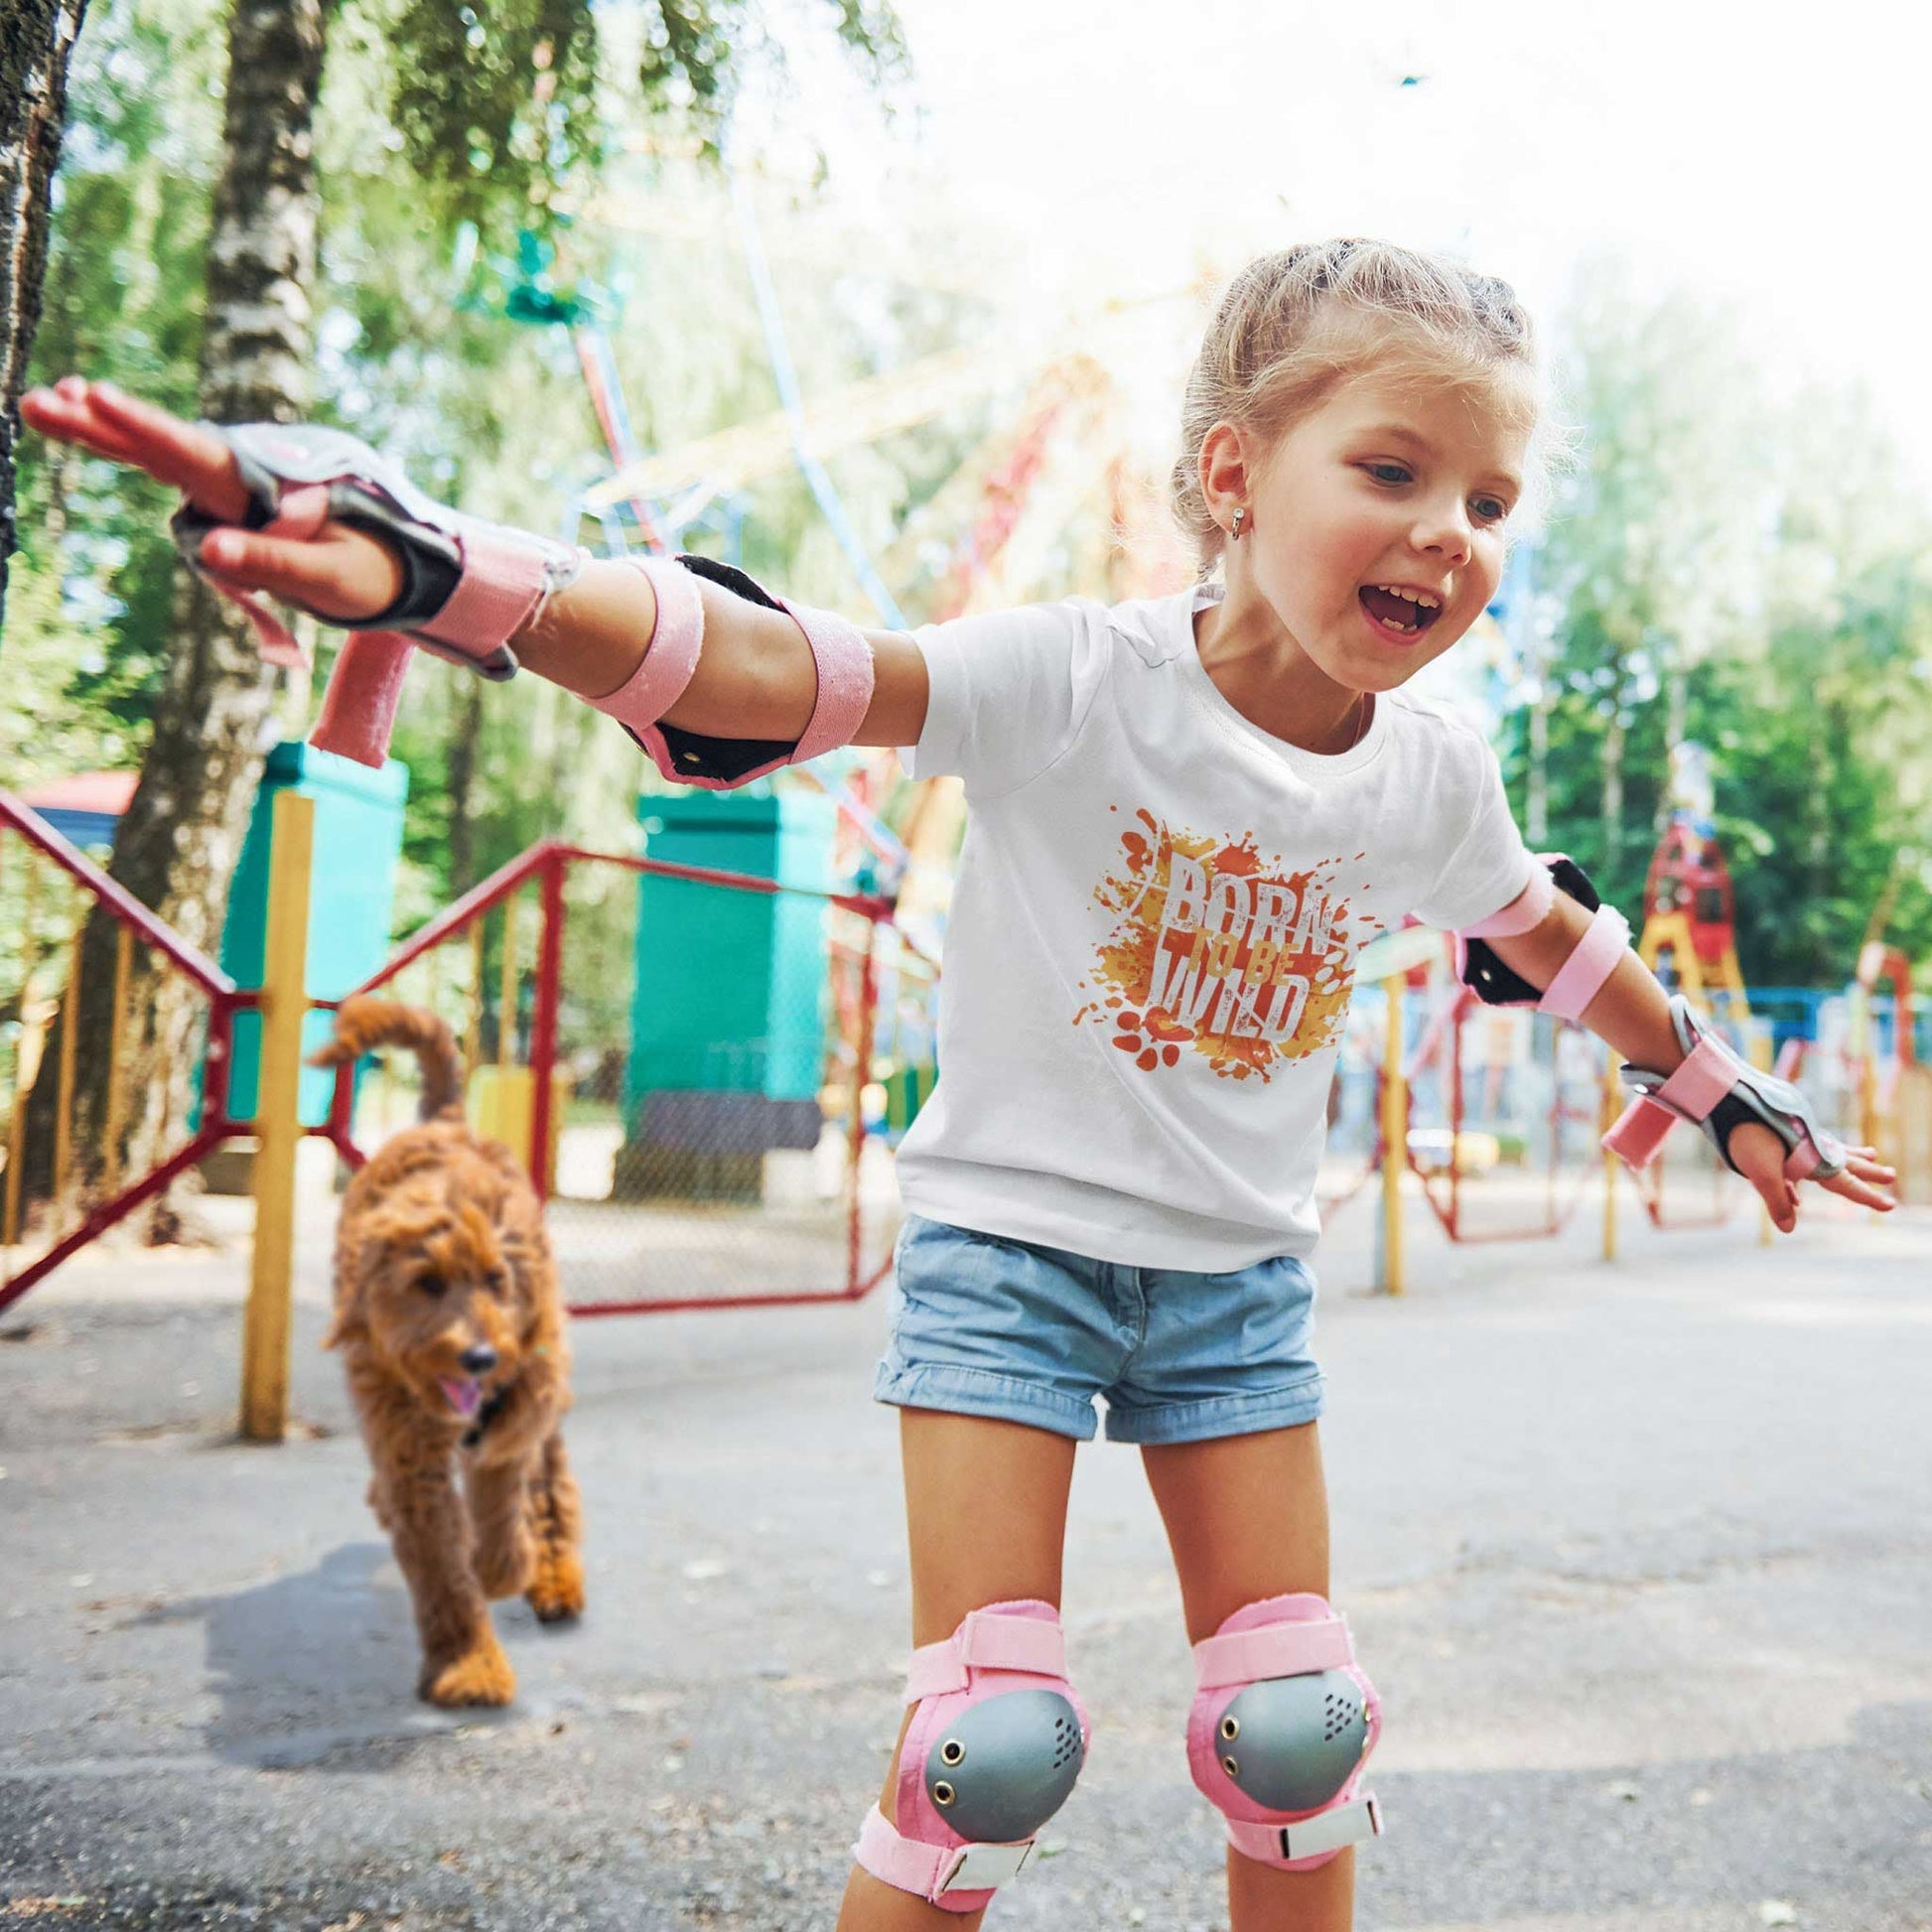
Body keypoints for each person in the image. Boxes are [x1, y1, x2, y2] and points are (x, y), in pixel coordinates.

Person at [23, 237, 1895, 1931]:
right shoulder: (1070, 678)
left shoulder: (1429, 777)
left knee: (1298, 1730)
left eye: (1487, 496)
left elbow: (1555, 939)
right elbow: (766, 665)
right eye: (1391, 471)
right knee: (986, 1746)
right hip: (1010, 1261)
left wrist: (1725, 1088)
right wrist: (444, 568)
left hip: (1237, 1292)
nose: (1447, 533)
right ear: (1235, 477)